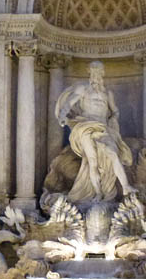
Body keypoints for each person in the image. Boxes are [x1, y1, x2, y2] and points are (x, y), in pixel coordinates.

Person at [54, 61, 135, 203]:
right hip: (86, 126)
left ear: (103, 73)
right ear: (89, 72)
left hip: (103, 127)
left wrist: (114, 118)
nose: (96, 74)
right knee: (92, 161)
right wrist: (62, 116)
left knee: (113, 153)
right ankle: (97, 193)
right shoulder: (83, 89)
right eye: (93, 70)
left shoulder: (107, 93)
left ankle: (126, 186)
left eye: (99, 71)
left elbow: (115, 110)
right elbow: (69, 104)